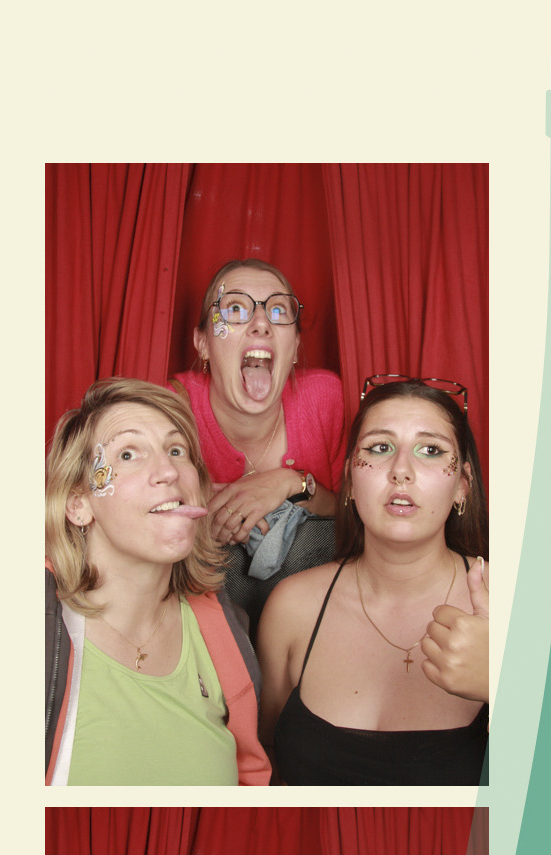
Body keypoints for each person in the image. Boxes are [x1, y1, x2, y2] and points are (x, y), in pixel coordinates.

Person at [257, 378, 489, 786]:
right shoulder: (291, 607)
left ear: (462, 486)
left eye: (431, 450)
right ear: (349, 479)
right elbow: (261, 762)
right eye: (380, 448)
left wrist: (508, 683)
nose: (401, 471)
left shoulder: (515, 604)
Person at [45, 380, 269, 787]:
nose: (168, 471)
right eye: (128, 454)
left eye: (177, 451)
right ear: (78, 504)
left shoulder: (227, 630)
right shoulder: (21, 616)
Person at [173, 260, 345, 632]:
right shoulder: (172, 409)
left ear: (295, 346)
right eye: (235, 308)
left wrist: (291, 483)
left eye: (278, 311)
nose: (262, 323)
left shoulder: (325, 398)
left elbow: (353, 513)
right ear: (202, 343)